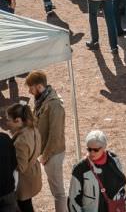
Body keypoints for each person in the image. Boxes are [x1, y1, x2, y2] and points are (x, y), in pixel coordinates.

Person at [23, 71, 66, 212]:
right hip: (48, 152)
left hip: (52, 153)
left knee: (58, 193)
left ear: (40, 86)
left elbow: (55, 136)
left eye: (31, 88)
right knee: (57, 191)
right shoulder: (42, 100)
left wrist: (44, 156)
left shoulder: (54, 104)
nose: (29, 91)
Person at [68, 130, 126, 211]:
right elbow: (73, 200)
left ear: (103, 148)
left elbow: (121, 186)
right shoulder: (80, 168)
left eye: (96, 150)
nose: (92, 152)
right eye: (89, 149)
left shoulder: (114, 161)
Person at [6, 103, 42, 212]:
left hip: (24, 182)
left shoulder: (20, 141)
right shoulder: (33, 129)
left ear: (17, 120)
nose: (7, 123)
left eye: (9, 120)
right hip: (33, 175)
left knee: (24, 207)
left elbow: (21, 167)